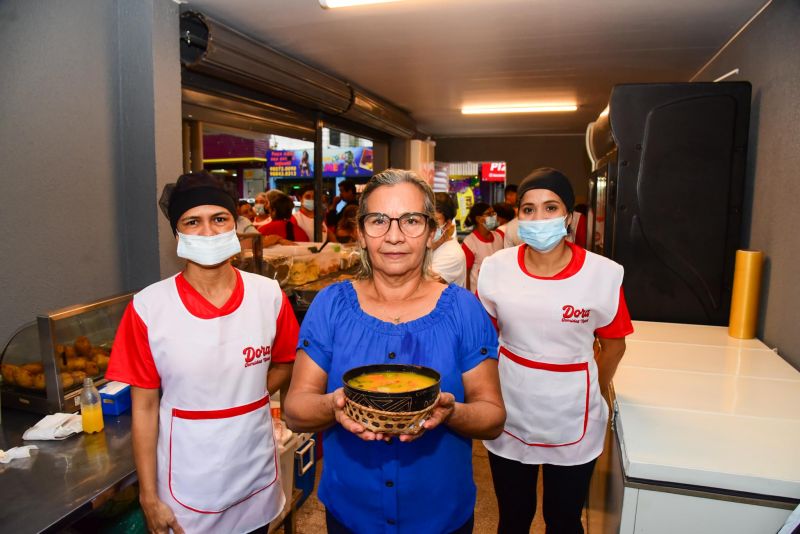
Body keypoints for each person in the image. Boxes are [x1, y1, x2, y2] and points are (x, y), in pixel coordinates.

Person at [283, 169, 505, 534]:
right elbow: (295, 411)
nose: (394, 236)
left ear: (432, 232)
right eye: (379, 221)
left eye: (411, 221)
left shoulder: (464, 310)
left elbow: (493, 417)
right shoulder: (331, 306)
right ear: (360, 232)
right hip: (351, 513)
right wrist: (338, 405)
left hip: (441, 515)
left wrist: (450, 412)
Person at [105, 171, 299, 534]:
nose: (208, 231)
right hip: (189, 484)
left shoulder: (268, 296)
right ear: (177, 233)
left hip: (254, 471)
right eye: (192, 221)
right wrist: (148, 496)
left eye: (219, 218)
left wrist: (247, 392)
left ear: (234, 225)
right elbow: (145, 408)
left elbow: (286, 360)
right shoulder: (148, 308)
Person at [477, 167, 633, 534]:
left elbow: (613, 346)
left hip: (573, 411)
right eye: (528, 209)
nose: (538, 218)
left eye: (550, 207)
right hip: (511, 406)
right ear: (518, 216)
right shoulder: (496, 269)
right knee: (513, 518)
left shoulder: (602, 275)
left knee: (563, 520)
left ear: (568, 216)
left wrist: (588, 386)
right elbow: (485, 342)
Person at [461, 202, 504, 291]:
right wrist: (468, 296)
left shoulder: (499, 236)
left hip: (497, 291)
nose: (493, 216)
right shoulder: (470, 242)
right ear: (479, 219)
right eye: (489, 214)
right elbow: (466, 273)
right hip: (477, 294)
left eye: (493, 213)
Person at [431, 192, 467, 287]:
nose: (428, 224)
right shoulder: (430, 245)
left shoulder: (452, 255)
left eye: (434, 220)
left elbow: (422, 288)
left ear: (447, 224)